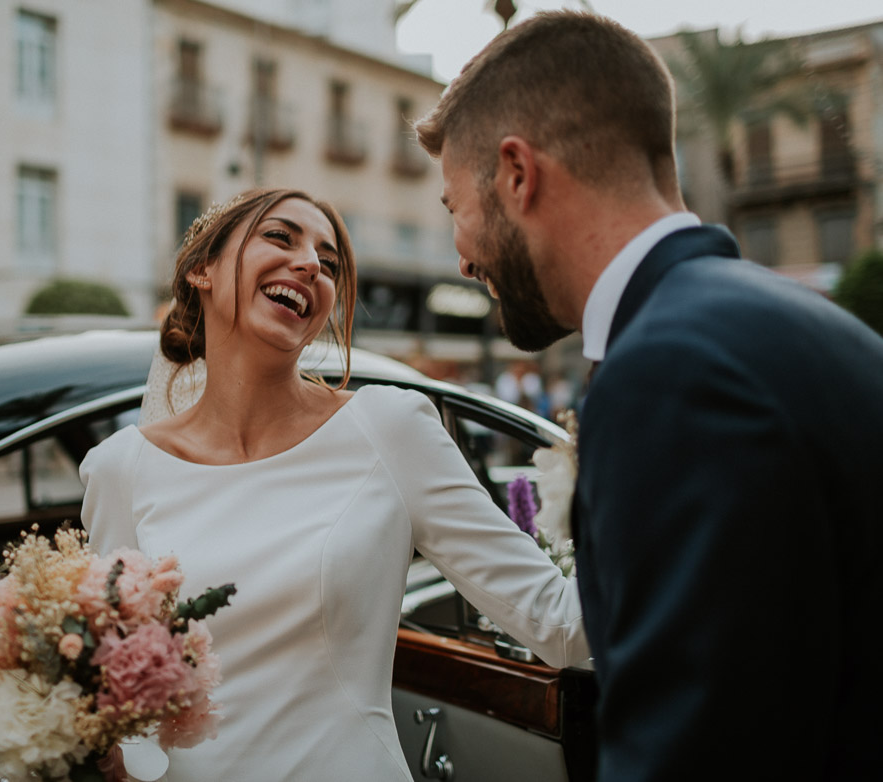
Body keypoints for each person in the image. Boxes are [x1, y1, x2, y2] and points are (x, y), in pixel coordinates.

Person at [415, 11, 883, 781]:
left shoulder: (669, 373)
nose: (460, 254)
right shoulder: (797, 324)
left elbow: (696, 746)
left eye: (453, 207)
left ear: (515, 174)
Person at [79, 187, 589, 781]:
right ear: (202, 270)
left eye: (330, 261)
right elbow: (113, 689)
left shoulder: (390, 430)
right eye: (279, 236)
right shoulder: (121, 468)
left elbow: (557, 623)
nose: (312, 265)